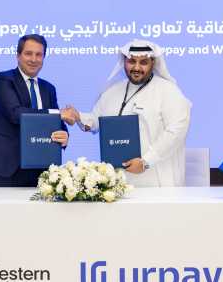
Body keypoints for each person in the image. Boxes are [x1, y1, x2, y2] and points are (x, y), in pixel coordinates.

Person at [61, 40, 191, 187]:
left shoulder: (168, 91)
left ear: (153, 63)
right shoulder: (113, 91)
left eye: (143, 62)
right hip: (119, 182)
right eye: (132, 61)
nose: (137, 67)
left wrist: (146, 161)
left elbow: (176, 131)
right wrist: (78, 116)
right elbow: (96, 120)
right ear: (124, 61)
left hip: (156, 180)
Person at [0, 34, 68, 187]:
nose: (33, 59)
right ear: (18, 56)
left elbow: (56, 123)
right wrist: (58, 114)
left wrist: (65, 136)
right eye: (28, 53)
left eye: (39, 55)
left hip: (41, 169)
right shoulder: (3, 80)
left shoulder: (48, 88)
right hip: (6, 168)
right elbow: (16, 114)